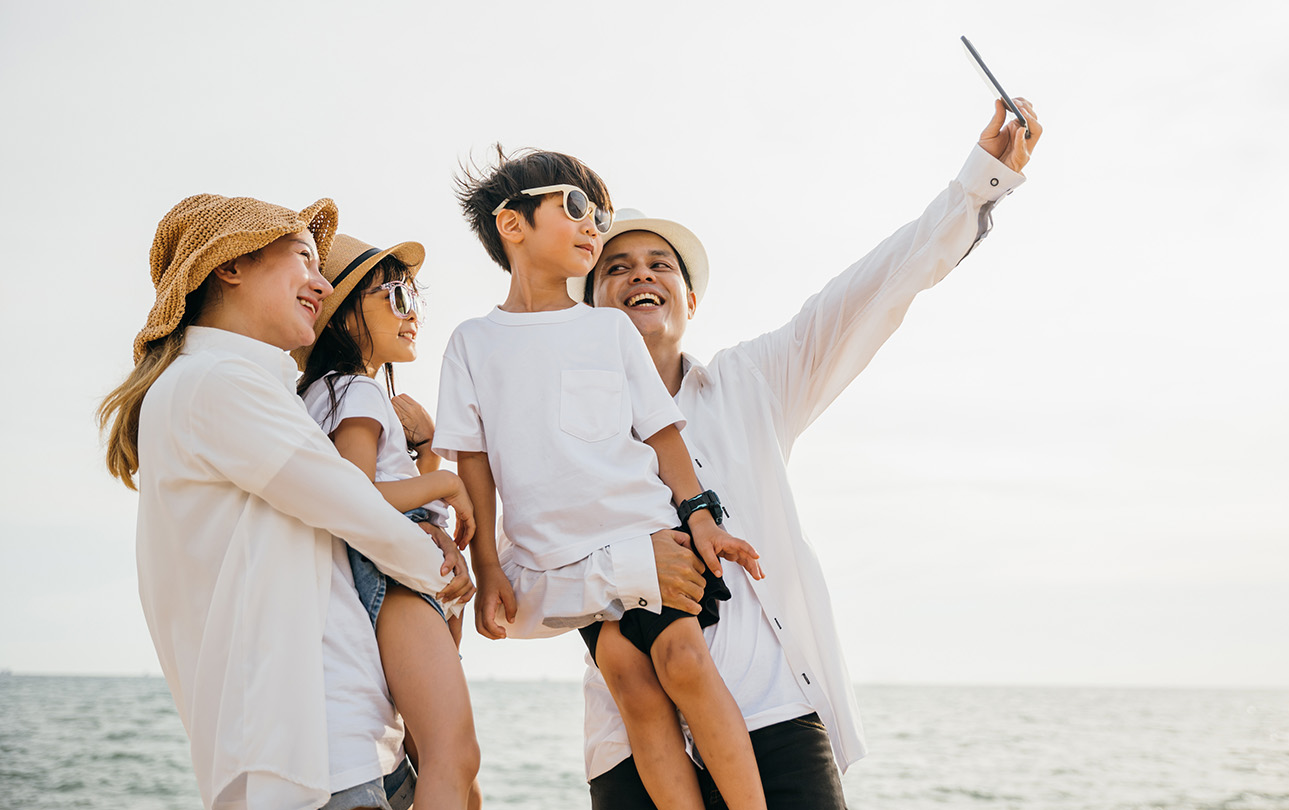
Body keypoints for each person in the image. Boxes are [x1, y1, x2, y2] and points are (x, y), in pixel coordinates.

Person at [495, 98, 1043, 808]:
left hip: (775, 724)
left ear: (690, 300)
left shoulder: (751, 384)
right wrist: (628, 573)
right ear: (588, 312)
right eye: (618, 268)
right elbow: (512, 598)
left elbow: (875, 289)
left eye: (660, 266)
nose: (641, 277)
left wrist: (979, 181)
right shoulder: (553, 433)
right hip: (633, 754)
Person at [97, 195, 476, 810]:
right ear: (231, 265)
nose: (320, 284)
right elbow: (356, 508)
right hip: (310, 751)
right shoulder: (219, 383)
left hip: (330, 742)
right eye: (303, 256)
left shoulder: (249, 387)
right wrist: (446, 570)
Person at [436, 148, 768, 810]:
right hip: (571, 562)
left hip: (652, 538)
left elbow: (663, 434)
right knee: (626, 678)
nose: (596, 225)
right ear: (513, 224)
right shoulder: (472, 343)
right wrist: (487, 567)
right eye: (579, 207)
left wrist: (701, 520)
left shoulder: (608, 329)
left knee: (680, 660)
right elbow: (472, 466)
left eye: (602, 214)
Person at [296, 233, 483, 810]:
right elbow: (357, 496)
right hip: (396, 582)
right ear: (345, 317)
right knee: (454, 757)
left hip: (401, 581)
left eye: (413, 298)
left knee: (447, 770)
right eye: (394, 296)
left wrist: (424, 446)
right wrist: (449, 482)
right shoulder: (352, 390)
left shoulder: (339, 393)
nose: (413, 314)